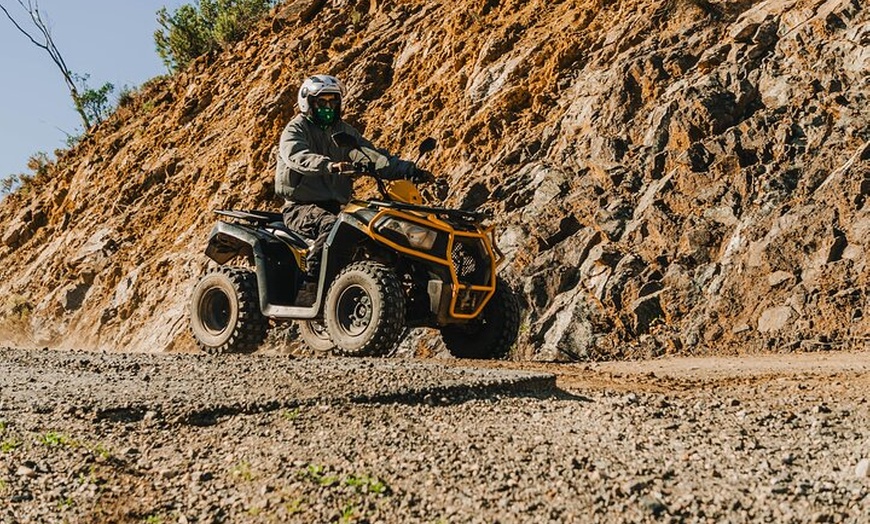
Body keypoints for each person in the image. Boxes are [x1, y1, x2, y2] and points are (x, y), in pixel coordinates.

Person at [275, 74, 432, 303]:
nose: (328, 107)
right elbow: (298, 156)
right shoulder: (295, 130)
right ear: (308, 102)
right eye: (322, 102)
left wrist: (408, 170)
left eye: (333, 102)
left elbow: (373, 157)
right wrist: (330, 165)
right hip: (301, 206)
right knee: (331, 226)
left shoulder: (343, 131)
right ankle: (311, 289)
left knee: (377, 228)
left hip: (339, 206)